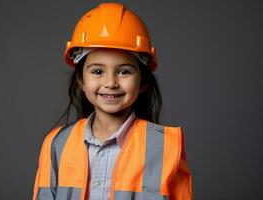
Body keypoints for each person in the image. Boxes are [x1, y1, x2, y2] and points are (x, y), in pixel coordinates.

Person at [32, 2, 192, 200]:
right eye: (98, 71)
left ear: (142, 81)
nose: (110, 82)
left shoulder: (166, 146)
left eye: (124, 71)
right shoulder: (57, 143)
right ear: (81, 80)